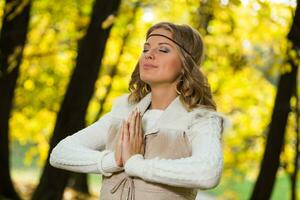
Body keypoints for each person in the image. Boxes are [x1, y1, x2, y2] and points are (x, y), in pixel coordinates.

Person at [50, 22, 229, 200]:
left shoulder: (200, 119)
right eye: (146, 49)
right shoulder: (123, 113)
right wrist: (115, 161)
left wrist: (136, 164)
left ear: (185, 64)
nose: (149, 55)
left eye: (163, 50)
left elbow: (208, 172)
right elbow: (60, 152)